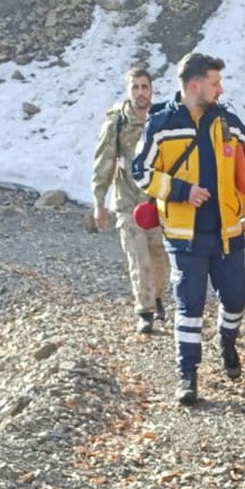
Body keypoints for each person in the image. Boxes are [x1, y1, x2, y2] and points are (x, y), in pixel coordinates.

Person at [131, 52, 245, 405]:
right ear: (194, 85)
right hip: (184, 236)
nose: (220, 89)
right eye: (214, 82)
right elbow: (141, 172)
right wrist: (182, 191)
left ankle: (227, 340)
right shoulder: (160, 124)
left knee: (237, 298)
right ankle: (187, 375)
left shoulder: (229, 122)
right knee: (189, 306)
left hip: (228, 232)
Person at [91, 67, 171, 334]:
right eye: (135, 87)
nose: (140, 92)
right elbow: (104, 161)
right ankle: (145, 310)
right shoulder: (117, 123)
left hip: (158, 201)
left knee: (160, 257)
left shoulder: (161, 120)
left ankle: (157, 296)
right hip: (128, 202)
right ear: (129, 91)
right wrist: (99, 202)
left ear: (152, 90)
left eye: (144, 87)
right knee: (139, 258)